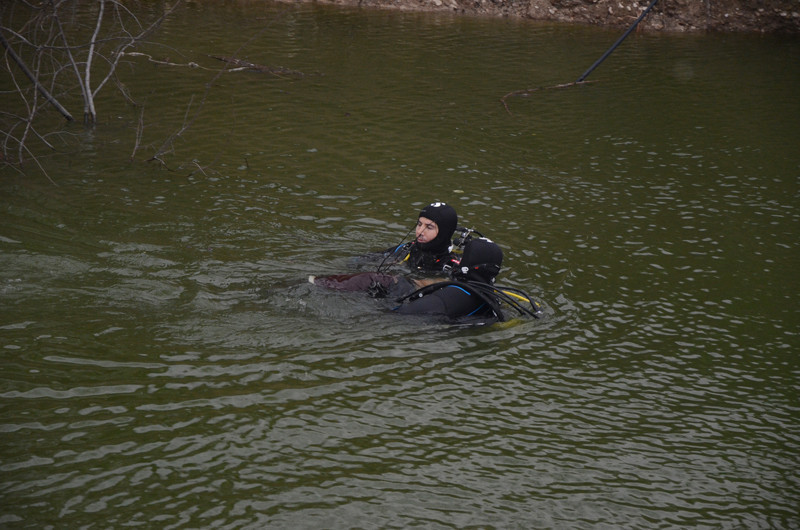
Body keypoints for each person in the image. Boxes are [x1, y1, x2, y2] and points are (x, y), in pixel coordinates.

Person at [381, 201, 460, 274]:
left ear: (444, 233)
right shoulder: (405, 249)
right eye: (419, 224)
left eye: (429, 227)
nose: (420, 232)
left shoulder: (452, 267)